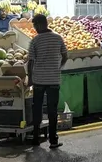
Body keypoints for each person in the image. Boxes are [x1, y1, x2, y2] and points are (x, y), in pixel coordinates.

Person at [28, 14, 67, 149]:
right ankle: (53, 140)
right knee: (52, 110)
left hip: (39, 80)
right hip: (53, 80)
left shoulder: (35, 40)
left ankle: (35, 138)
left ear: (39, 25)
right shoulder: (58, 38)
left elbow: (30, 62)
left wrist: (30, 78)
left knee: (37, 109)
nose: (35, 28)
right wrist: (58, 67)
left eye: (35, 26)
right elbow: (65, 55)